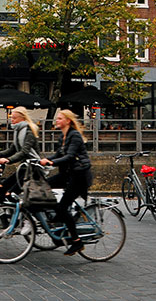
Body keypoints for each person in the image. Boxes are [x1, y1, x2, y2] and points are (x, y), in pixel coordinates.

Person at [40, 109, 93, 256]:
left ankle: (77, 242)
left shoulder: (74, 135)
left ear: (68, 121)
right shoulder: (62, 137)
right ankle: (58, 226)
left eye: (59, 118)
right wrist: (43, 160)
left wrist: (51, 162)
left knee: (62, 208)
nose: (56, 120)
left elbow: (69, 157)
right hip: (68, 175)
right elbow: (58, 154)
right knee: (43, 186)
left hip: (79, 176)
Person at [0, 106, 41, 203]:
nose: (11, 120)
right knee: (0, 188)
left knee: (11, 194)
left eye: (14, 118)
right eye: (11, 117)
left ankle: (22, 216)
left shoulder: (29, 132)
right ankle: (4, 215)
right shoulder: (18, 131)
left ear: (23, 118)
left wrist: (9, 160)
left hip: (32, 169)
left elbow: (24, 152)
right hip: (23, 168)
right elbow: (12, 149)